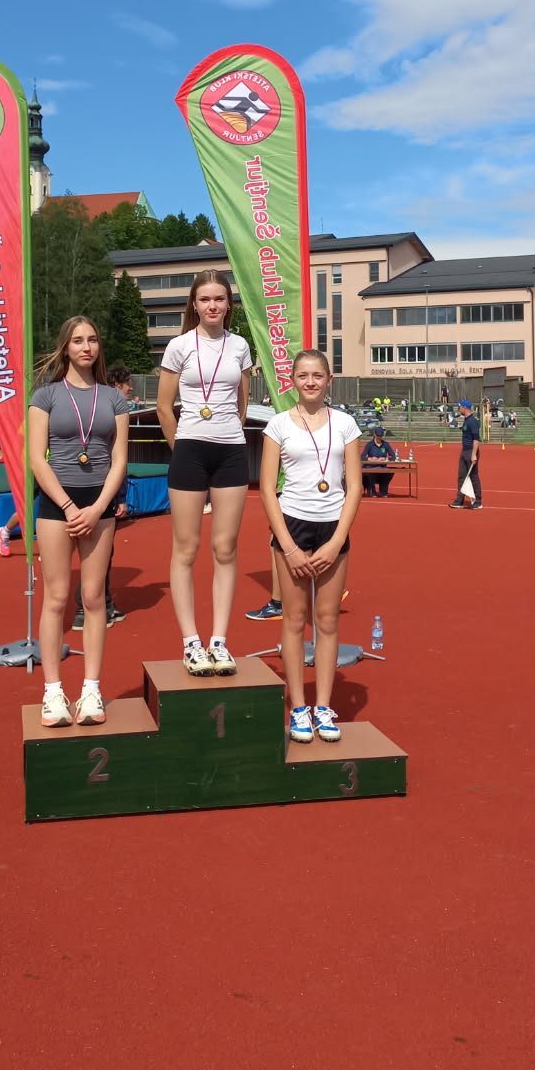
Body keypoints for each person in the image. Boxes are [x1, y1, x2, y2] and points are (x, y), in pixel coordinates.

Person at [29, 316, 131, 728]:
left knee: (92, 598)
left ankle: (91, 688)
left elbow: (119, 459)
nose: (86, 347)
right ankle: (53, 691)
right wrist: (70, 508)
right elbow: (38, 459)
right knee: (56, 598)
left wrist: (99, 506)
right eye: (77, 341)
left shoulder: (114, 399)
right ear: (66, 347)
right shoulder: (46, 395)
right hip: (59, 505)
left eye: (92, 340)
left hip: (98, 506)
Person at [260, 349, 362, 744]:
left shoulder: (346, 424)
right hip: (293, 526)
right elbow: (267, 489)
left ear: (329, 379)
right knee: (294, 619)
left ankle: (323, 705)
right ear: (293, 380)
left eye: (317, 375)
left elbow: (354, 487)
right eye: (303, 375)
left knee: (328, 621)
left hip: (332, 528)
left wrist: (337, 542)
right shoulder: (278, 425)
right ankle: (299, 707)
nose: (310, 382)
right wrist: (288, 547)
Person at [157, 268, 252, 677]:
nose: (212, 306)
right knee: (186, 548)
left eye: (219, 299)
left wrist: (227, 432)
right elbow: (164, 407)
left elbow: (243, 402)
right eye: (205, 299)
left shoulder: (240, 346)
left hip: (230, 451)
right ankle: (191, 643)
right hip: (190, 450)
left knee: (225, 548)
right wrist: (182, 448)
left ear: (228, 305)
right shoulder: (179, 346)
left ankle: (219, 641)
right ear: (194, 305)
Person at [74, 364, 134, 630]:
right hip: (97, 487)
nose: (130, 388)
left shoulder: (99, 407)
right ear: (117, 385)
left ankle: (104, 603)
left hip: (92, 485)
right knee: (97, 552)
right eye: (127, 384)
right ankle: (83, 608)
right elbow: (115, 460)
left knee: (102, 552)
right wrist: (120, 496)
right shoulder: (108, 410)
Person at [449, 397, 482, 509]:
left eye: (460, 407)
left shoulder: (473, 421)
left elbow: (476, 439)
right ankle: (460, 500)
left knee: (473, 476)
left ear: (465, 407)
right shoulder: (467, 420)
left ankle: (478, 501)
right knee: (462, 476)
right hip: (464, 451)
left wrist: (474, 454)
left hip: (470, 452)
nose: (458, 409)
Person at [360, 425, 398, 497]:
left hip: (382, 467)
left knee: (388, 473)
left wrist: (385, 459)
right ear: (375, 434)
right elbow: (362, 457)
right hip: (371, 467)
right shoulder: (369, 445)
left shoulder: (385, 444)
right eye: (378, 436)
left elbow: (393, 456)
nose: (379, 438)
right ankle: (372, 491)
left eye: (380, 436)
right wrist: (370, 459)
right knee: (371, 473)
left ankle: (383, 491)